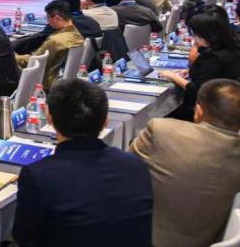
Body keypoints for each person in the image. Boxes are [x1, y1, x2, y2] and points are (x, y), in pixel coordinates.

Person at [130, 79, 240, 247]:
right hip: (210, 238)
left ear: (198, 111)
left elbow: (125, 169)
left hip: (148, 238)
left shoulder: (161, 131)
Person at [13, 79, 152, 246]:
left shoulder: (38, 176)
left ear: (49, 118)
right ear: (106, 121)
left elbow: (25, 238)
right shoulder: (136, 165)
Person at [161, 7, 240, 120]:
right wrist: (191, 72)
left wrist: (174, 77)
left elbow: (197, 90)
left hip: (207, 113)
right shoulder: (228, 48)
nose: (194, 38)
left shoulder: (213, 57)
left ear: (207, 35)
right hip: (222, 105)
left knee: (160, 114)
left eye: (195, 34)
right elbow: (211, 75)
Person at [17, 0, 85, 89]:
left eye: (48, 18)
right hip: (62, 80)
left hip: (45, 83)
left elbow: (33, 61)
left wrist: (14, 57)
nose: (48, 21)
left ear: (56, 18)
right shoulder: (77, 34)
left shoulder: (55, 41)